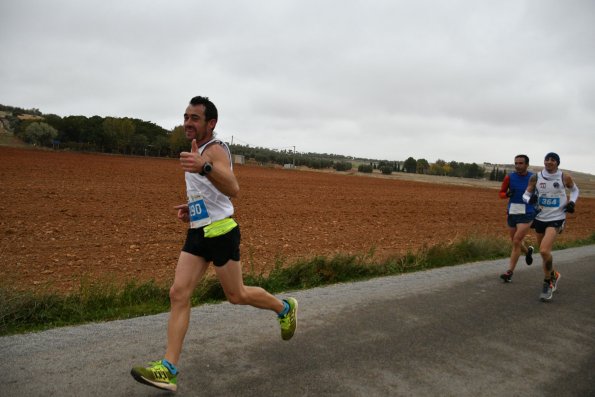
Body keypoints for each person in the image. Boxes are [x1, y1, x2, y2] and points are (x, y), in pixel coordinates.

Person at [131, 96, 298, 392]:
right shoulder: (199, 151)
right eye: (185, 117)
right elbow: (212, 193)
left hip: (221, 232)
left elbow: (233, 187)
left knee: (237, 294)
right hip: (198, 231)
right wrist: (193, 206)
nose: (187, 123)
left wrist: (204, 166)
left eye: (194, 118)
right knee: (178, 292)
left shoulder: (216, 150)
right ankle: (168, 368)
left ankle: (284, 308)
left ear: (211, 123)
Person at [523, 152, 579, 302]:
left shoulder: (564, 177)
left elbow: (575, 190)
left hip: (557, 217)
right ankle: (554, 274)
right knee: (544, 254)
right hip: (540, 217)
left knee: (543, 250)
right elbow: (525, 195)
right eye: (547, 159)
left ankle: (548, 283)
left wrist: (572, 202)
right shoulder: (536, 177)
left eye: (552, 160)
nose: (549, 162)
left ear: (557, 163)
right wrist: (531, 198)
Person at [498, 154, 536, 283]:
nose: (518, 166)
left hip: (527, 213)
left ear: (527, 164)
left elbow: (540, 193)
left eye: (521, 163)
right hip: (512, 213)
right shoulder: (509, 177)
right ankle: (528, 252)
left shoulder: (533, 178)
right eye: (516, 163)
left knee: (516, 240)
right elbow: (501, 194)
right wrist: (507, 194)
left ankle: (509, 272)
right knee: (516, 242)